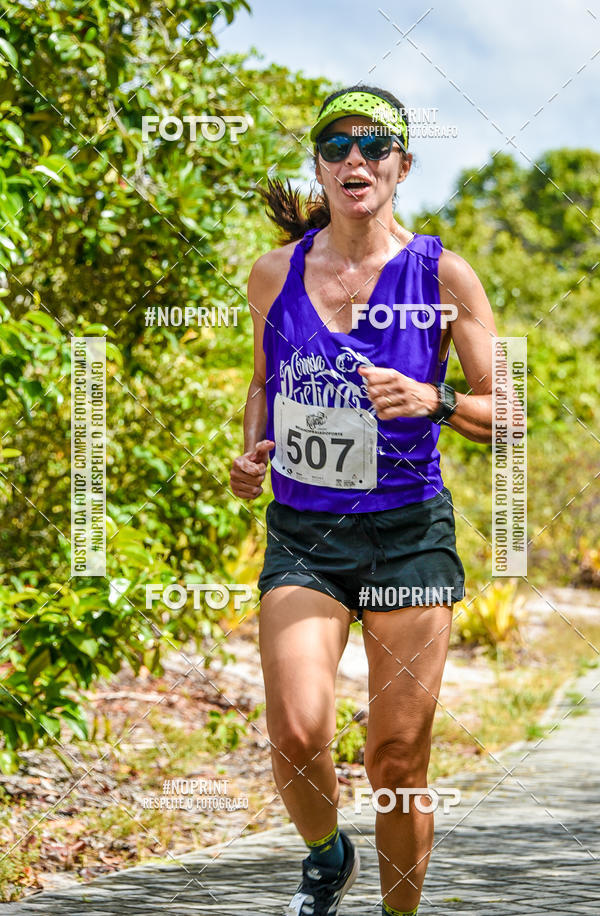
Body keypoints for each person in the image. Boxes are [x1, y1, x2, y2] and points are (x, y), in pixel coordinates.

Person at [230, 84, 495, 916]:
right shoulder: (274, 273)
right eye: (337, 145)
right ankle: (324, 853)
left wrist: (435, 400)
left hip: (409, 535)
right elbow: (265, 379)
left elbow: (507, 413)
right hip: (307, 533)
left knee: (396, 756)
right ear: (318, 163)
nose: (355, 159)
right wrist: (251, 451)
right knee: (298, 734)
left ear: (402, 165)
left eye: (374, 145)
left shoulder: (443, 275)